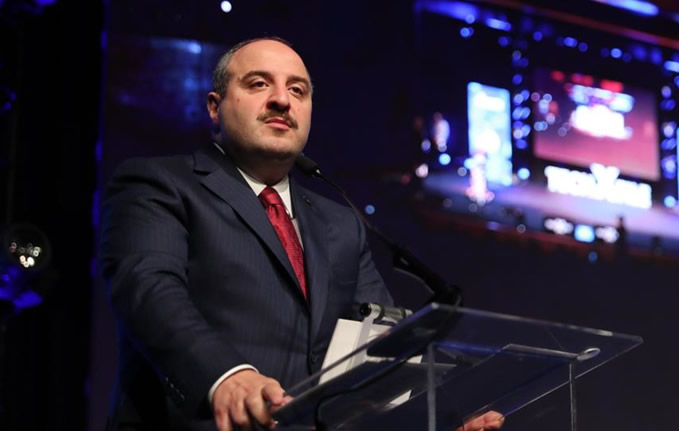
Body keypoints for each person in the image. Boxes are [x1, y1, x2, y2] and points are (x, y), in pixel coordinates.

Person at [99, 37, 503, 431]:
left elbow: (380, 343)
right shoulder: (159, 183)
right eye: (259, 83)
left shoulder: (339, 222)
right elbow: (149, 290)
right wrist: (225, 376)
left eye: (298, 90)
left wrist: (442, 416)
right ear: (215, 107)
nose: (282, 100)